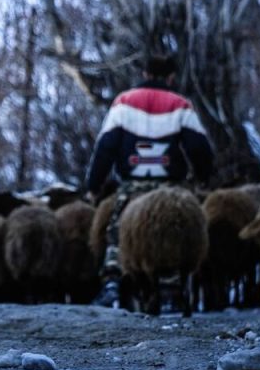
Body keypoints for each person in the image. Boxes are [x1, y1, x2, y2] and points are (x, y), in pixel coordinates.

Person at [84, 55, 214, 308]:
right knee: (179, 227)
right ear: (171, 77)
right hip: (170, 188)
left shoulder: (123, 103)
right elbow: (199, 147)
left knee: (117, 228)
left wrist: (94, 185)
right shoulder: (181, 105)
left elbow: (105, 147)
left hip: (132, 185)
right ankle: (173, 287)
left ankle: (113, 280)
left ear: (145, 74)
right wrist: (203, 177)